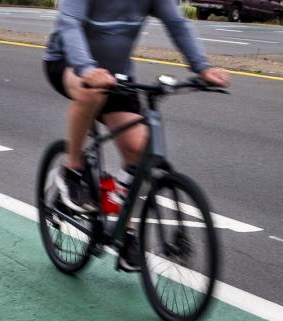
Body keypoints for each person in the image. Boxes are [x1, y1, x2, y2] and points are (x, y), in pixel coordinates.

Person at [44, 0, 229, 269]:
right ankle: (71, 169)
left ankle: (126, 231)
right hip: (67, 64)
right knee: (90, 93)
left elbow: (177, 25)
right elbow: (69, 24)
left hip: (115, 76)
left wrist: (202, 67)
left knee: (139, 150)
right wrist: (86, 68)